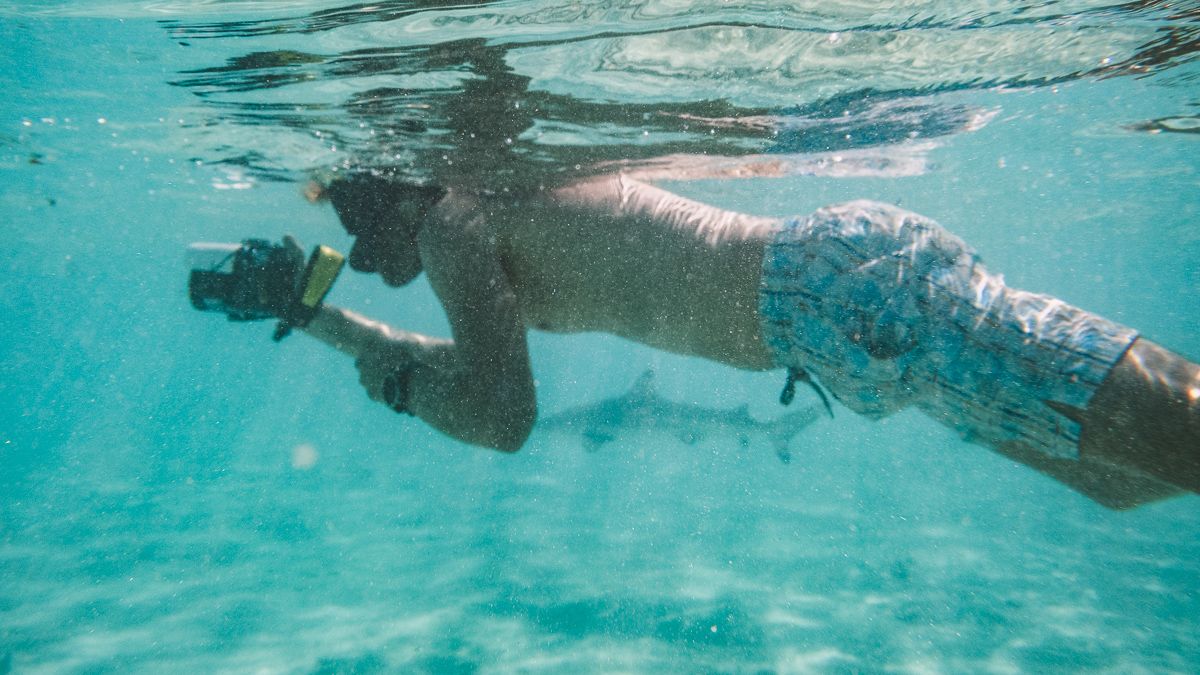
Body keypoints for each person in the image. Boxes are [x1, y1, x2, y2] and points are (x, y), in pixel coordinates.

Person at [299, 172, 1198, 509]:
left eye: (341, 205)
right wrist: (320, 320)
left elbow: (500, 417)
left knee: (1180, 435)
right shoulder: (461, 226)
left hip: (835, 295)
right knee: (1114, 476)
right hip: (833, 323)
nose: (354, 249)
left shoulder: (449, 221)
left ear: (386, 183)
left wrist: (400, 389)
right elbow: (475, 374)